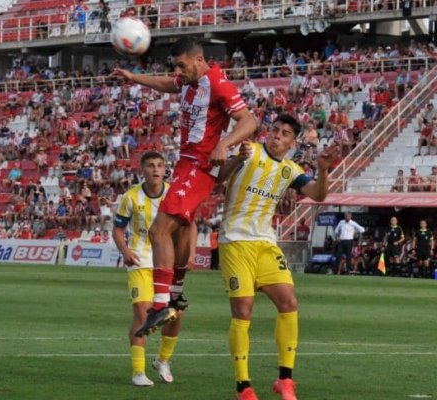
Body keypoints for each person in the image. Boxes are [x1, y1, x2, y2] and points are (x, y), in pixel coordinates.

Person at [111, 37, 256, 336]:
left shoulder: (217, 84)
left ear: (199, 60)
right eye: (175, 65)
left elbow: (249, 121)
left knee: (157, 231)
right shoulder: (189, 80)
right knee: (174, 235)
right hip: (185, 164)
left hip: (198, 166)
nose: (178, 71)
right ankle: (175, 294)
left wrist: (225, 144)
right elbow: (168, 83)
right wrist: (133, 77)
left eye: (182, 65)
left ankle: (162, 303)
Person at [215, 114, 340, 400]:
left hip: (265, 243)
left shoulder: (291, 170)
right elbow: (219, 177)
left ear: (292, 142)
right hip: (235, 241)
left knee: (289, 302)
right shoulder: (248, 150)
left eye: (284, 134)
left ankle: (285, 380)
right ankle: (243, 386)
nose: (276, 136)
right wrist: (235, 160)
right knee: (243, 310)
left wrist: (322, 170)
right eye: (274, 130)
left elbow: (318, 195)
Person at [112, 151, 189, 386]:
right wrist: (126, 252)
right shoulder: (131, 197)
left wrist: (187, 256)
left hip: (167, 263)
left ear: (165, 168)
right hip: (141, 261)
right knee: (143, 313)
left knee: (177, 314)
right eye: (150, 165)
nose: (155, 169)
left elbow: (188, 226)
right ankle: (138, 372)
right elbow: (117, 229)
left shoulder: (175, 195)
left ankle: (162, 360)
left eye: (159, 165)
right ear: (142, 170)